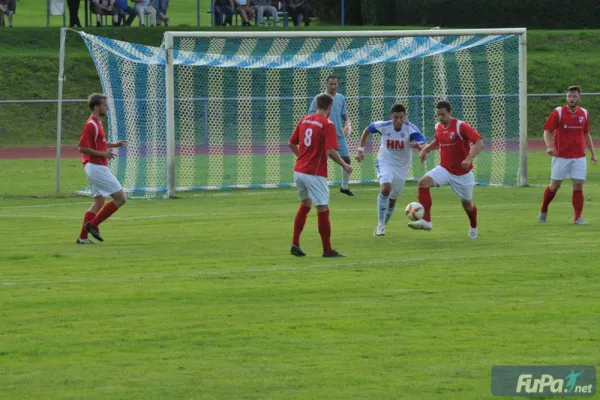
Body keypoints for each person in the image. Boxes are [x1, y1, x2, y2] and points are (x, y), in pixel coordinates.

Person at [409, 100, 484, 239]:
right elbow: (438, 142)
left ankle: (473, 225)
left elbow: (479, 142)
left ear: (450, 113)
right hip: (445, 169)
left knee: (467, 204)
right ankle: (426, 220)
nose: (440, 118)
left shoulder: (461, 126)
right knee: (423, 183)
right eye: (438, 115)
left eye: (443, 114)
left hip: (463, 175)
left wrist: (468, 159)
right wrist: (426, 149)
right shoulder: (438, 126)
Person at [289, 93, 352, 258]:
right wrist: (345, 165)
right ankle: (327, 250)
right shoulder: (327, 124)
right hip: (314, 173)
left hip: (299, 171)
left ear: (316, 105)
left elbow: (291, 143)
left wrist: (302, 157)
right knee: (322, 208)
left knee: (305, 205)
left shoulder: (304, 119)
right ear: (330, 107)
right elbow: (331, 151)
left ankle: (295, 243)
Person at [356, 104, 426, 236]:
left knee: (392, 200)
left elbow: (424, 145)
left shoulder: (410, 129)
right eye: (395, 117)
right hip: (385, 162)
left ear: (405, 117)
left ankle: (381, 226)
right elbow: (367, 130)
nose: (398, 120)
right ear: (391, 116)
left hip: (401, 167)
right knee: (385, 189)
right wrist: (360, 150)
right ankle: (381, 225)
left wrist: (417, 145)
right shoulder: (383, 126)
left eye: (401, 117)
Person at [539, 85, 597, 224]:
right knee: (554, 186)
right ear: (567, 97)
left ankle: (577, 217)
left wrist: (593, 153)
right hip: (561, 156)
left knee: (578, 185)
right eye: (569, 96)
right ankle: (544, 209)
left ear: (579, 98)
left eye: (574, 96)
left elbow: (586, 134)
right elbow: (547, 131)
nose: (571, 98)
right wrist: (549, 146)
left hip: (579, 157)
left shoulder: (584, 113)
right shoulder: (558, 112)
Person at [76, 93, 127, 244]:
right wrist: (103, 153)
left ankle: (83, 237)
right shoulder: (91, 125)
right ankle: (93, 224)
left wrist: (113, 145)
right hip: (96, 167)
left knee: (98, 202)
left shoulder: (98, 123)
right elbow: (82, 148)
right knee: (120, 198)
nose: (107, 108)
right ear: (97, 107)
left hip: (94, 167)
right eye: (104, 105)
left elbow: (98, 143)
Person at [309, 75, 353, 196]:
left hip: (338, 134)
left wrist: (348, 123)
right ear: (326, 84)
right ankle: (313, 186)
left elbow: (344, 114)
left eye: (335, 84)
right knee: (318, 161)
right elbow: (312, 114)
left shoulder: (341, 98)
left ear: (337, 85)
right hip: (322, 135)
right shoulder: (319, 98)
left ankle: (344, 187)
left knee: (347, 160)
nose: (333, 86)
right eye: (331, 84)